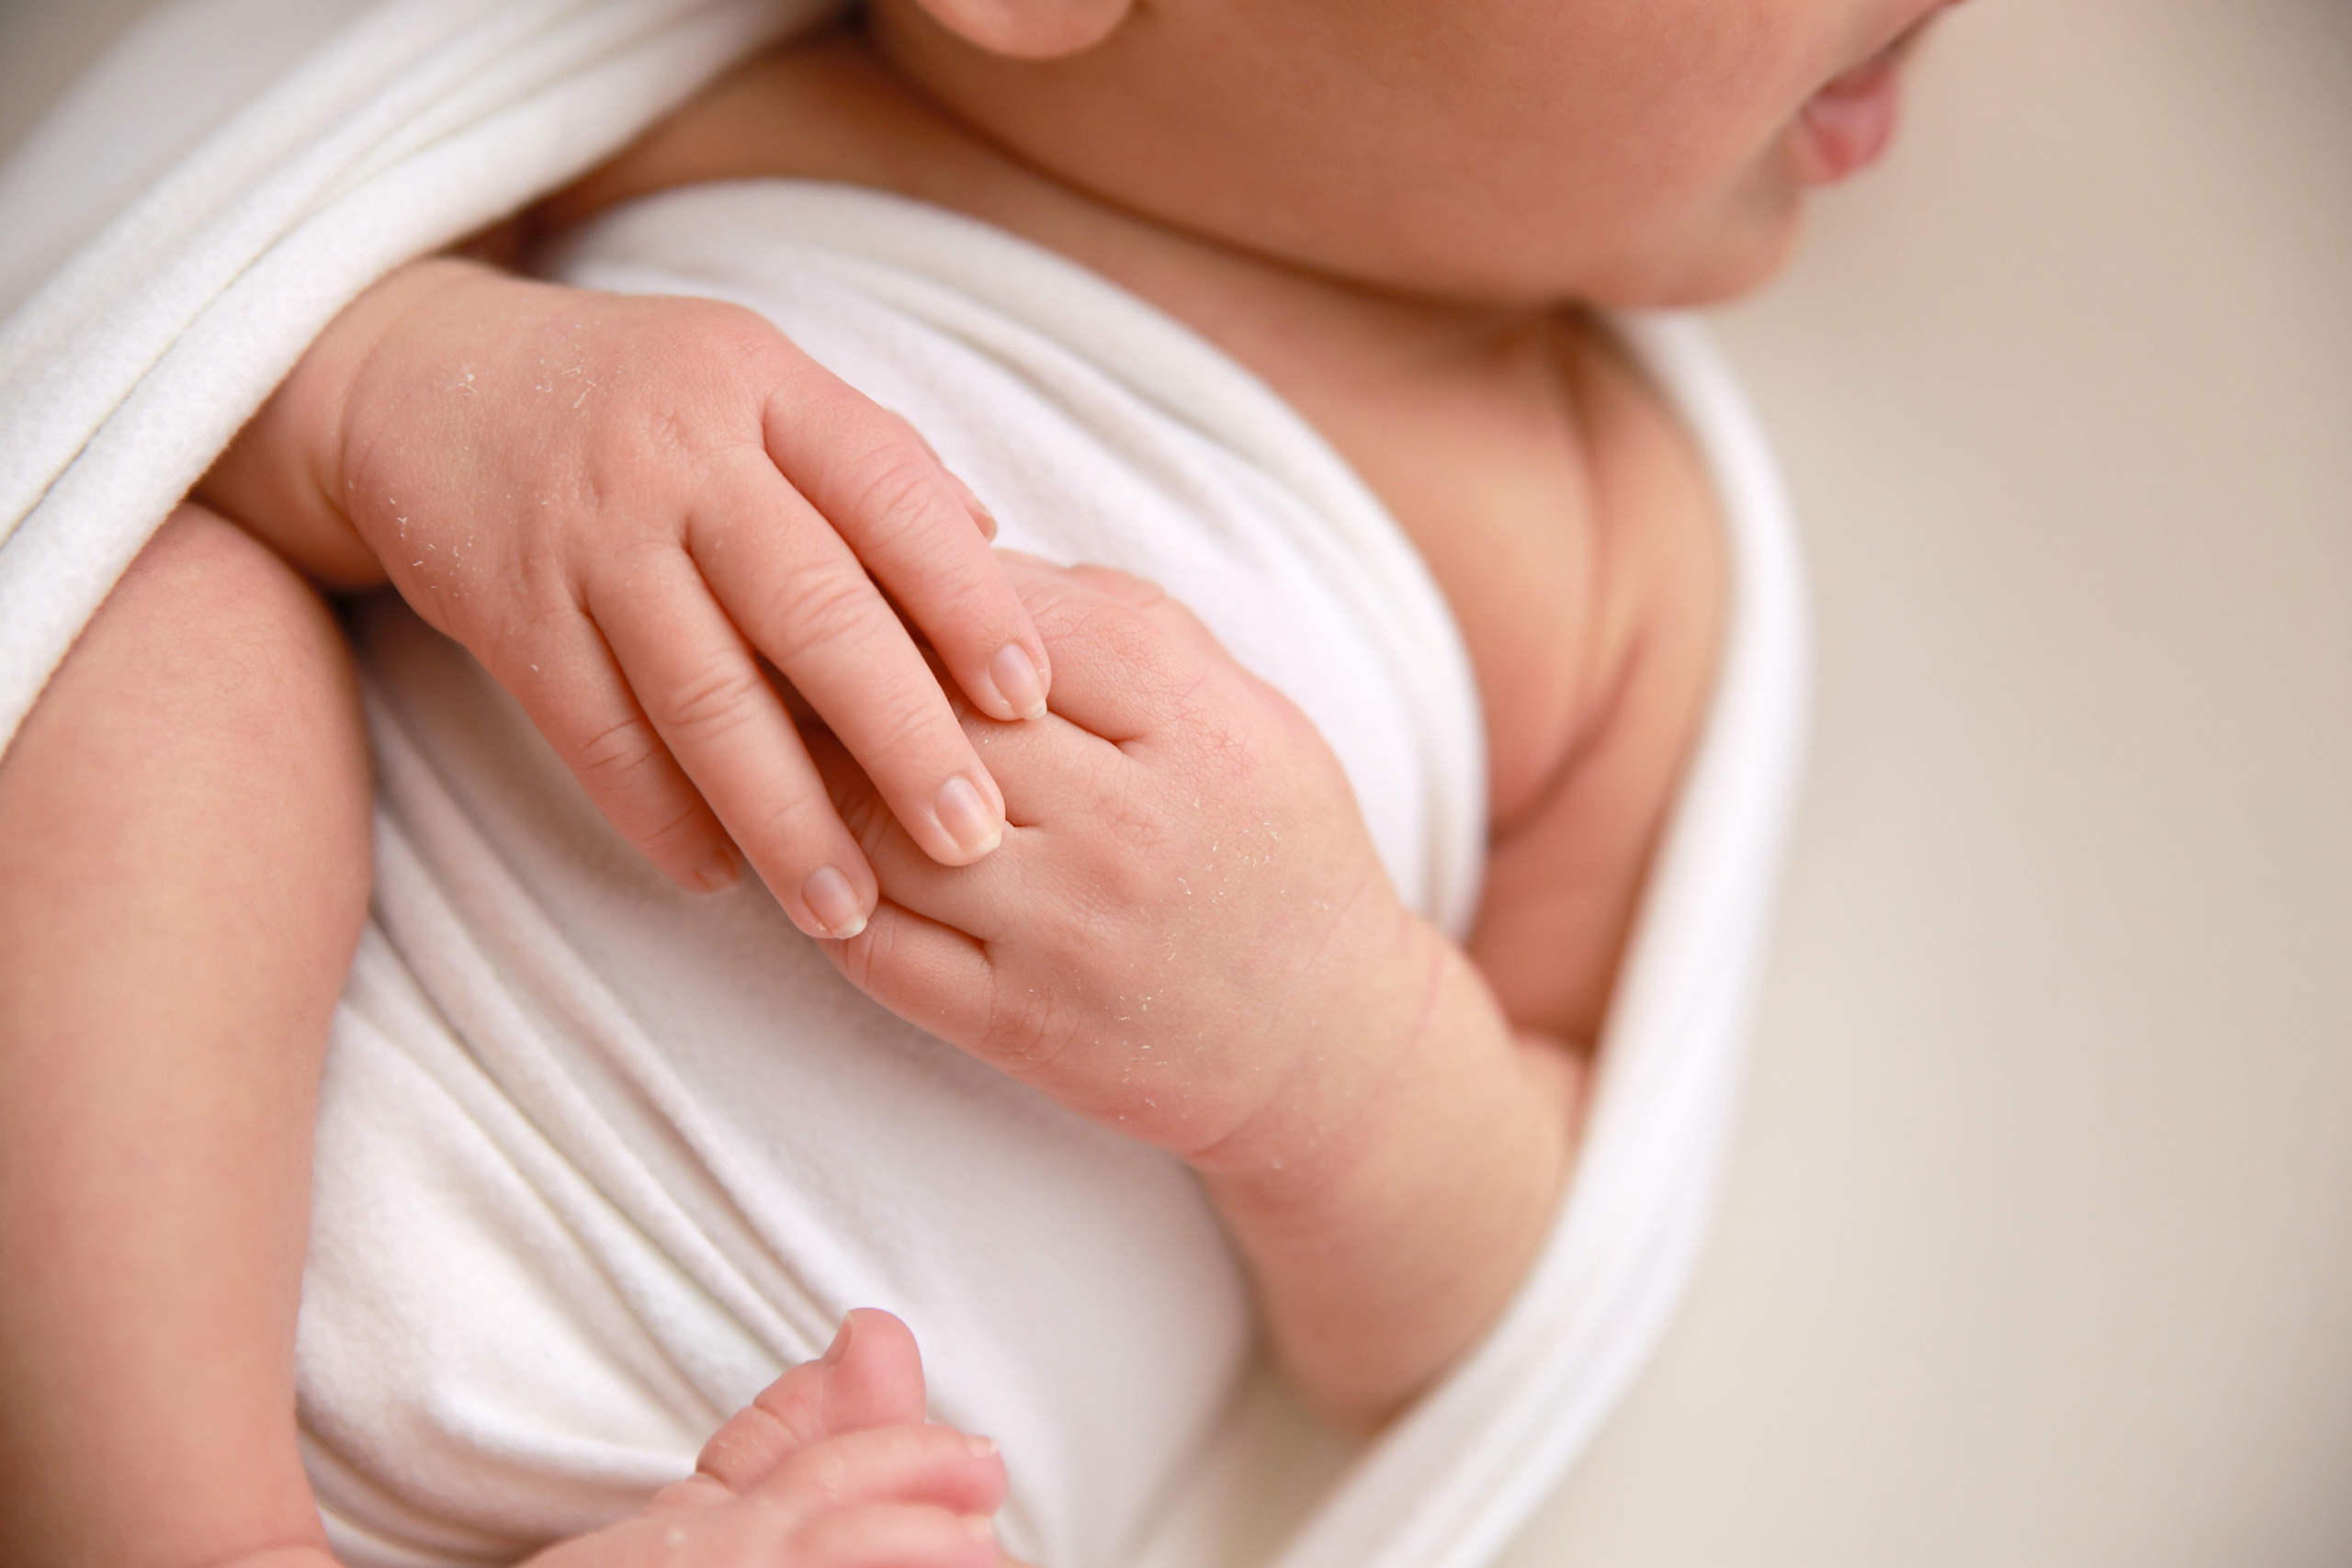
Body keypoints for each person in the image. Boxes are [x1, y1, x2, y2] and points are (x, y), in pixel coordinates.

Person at [0, 0, 1956, 1563]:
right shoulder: (716, 113)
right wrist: (422, 396)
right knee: (160, 614)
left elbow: (1489, 1298)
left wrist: (1334, 1049)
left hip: (840, 1481)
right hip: (159, 1259)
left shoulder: (1607, 547)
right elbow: (157, 356)